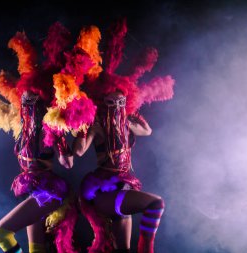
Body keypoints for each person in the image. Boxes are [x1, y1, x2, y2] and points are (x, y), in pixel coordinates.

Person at [0, 22, 102, 253]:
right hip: (32, 187)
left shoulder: (51, 127)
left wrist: (74, 136)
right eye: (25, 98)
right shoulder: (24, 126)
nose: (28, 102)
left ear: (43, 101)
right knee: (36, 249)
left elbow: (68, 163)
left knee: (0, 232)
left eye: (33, 99)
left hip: (47, 191)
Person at [73, 18, 175, 253]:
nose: (115, 104)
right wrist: (84, 126)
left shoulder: (125, 121)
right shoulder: (97, 123)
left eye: (120, 100)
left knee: (121, 250)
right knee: (156, 203)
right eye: (111, 101)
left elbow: (147, 131)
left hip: (124, 184)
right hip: (102, 190)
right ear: (102, 100)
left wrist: (128, 114)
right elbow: (78, 151)